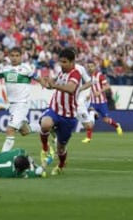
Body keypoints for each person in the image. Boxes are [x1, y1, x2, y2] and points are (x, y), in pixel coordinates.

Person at [0, 47, 45, 152]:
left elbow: (37, 77)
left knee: (10, 129)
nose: (14, 58)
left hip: (22, 104)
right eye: (12, 55)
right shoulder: (6, 69)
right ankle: (47, 127)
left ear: (21, 56)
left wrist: (42, 82)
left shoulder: (26, 68)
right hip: (13, 105)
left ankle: (2, 157)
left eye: (17, 55)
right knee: (25, 131)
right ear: (9, 57)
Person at [39, 47, 82, 175]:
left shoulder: (76, 74)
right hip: (55, 109)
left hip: (68, 116)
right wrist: (46, 82)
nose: (61, 65)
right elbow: (51, 85)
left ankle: (61, 165)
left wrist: (54, 85)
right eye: (60, 62)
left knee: (61, 148)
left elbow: (70, 88)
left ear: (72, 62)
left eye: (64, 62)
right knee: (45, 124)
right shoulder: (61, 73)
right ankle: (45, 148)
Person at [85, 61, 123, 142]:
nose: (90, 68)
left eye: (91, 66)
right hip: (93, 102)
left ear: (95, 67)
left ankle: (116, 126)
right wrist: (89, 95)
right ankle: (88, 138)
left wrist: (99, 92)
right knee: (90, 117)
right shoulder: (89, 77)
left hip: (102, 102)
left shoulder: (100, 75)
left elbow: (107, 86)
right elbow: (92, 88)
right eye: (88, 66)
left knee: (106, 120)